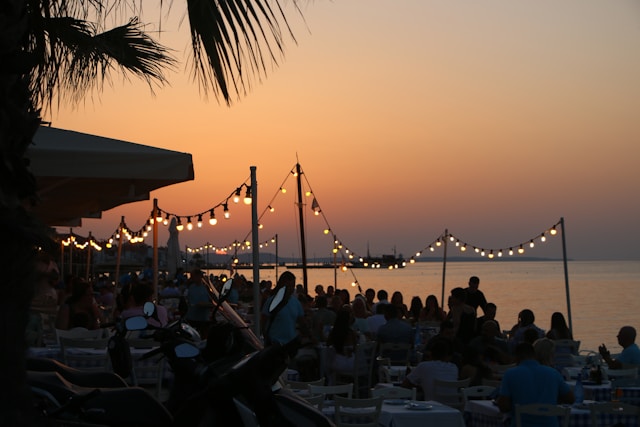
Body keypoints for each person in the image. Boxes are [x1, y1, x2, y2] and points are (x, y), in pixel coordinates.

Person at [496, 342, 574, 427]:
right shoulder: (553, 373)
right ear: (534, 355)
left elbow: (503, 407)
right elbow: (571, 399)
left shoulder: (510, 374)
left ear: (516, 357)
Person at [261, 271, 306, 357]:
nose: (290, 289)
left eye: (292, 286)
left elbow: (302, 323)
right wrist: (267, 339)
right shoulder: (271, 301)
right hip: (275, 344)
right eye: (287, 286)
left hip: (291, 344)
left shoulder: (296, 303)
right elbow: (263, 322)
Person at [326, 306, 359, 383]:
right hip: (352, 364)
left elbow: (328, 345)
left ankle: (331, 384)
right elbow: (355, 348)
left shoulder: (333, 332)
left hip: (338, 363)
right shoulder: (351, 333)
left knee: (328, 362)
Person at [184, 269, 213, 338]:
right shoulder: (191, 287)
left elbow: (212, 300)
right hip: (192, 317)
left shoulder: (206, 287)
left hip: (204, 317)